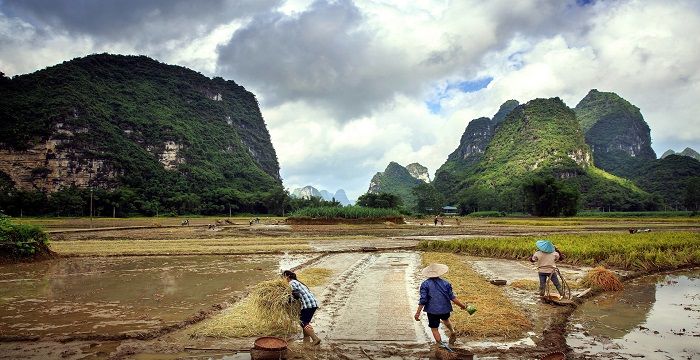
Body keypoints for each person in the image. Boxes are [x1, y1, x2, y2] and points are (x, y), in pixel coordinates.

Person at [414, 263, 468, 349]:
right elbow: (452, 298)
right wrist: (463, 306)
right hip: (445, 309)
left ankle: (440, 344)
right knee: (446, 320)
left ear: (428, 274)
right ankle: (452, 331)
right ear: (440, 273)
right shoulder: (446, 283)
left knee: (434, 328)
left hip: (432, 311)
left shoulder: (425, 284)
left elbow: (423, 300)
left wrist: (417, 313)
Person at [282, 270, 321, 345]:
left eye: (283, 277)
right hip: (313, 303)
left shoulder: (291, 283)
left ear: (287, 276)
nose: (283, 279)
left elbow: (296, 295)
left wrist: (287, 301)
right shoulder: (297, 282)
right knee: (305, 321)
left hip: (308, 305)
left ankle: (315, 339)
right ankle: (306, 339)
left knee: (303, 322)